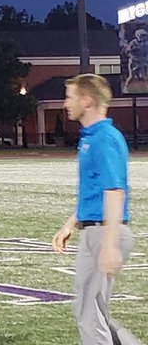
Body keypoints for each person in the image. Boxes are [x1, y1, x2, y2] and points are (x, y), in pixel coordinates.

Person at [51, 74, 141, 345]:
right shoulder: (92, 137)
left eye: (70, 97)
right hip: (95, 231)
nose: (66, 103)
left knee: (89, 312)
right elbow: (95, 189)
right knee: (89, 309)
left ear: (87, 100)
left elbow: (114, 191)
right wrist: (71, 223)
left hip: (105, 232)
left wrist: (111, 244)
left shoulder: (104, 138)